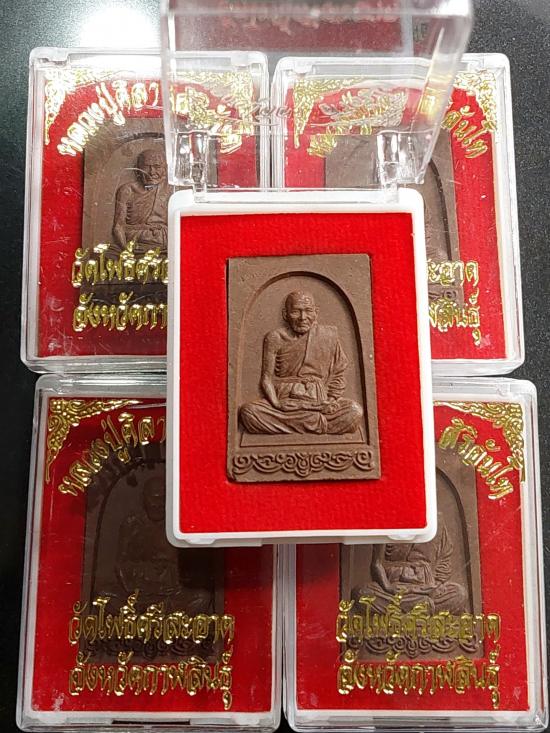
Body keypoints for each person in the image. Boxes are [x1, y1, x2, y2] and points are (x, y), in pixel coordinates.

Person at [239, 291, 363, 435]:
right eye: (296, 312)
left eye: (308, 311)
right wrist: (277, 404)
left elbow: (338, 372)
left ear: (316, 313)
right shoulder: (275, 338)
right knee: (249, 412)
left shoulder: (328, 336)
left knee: (354, 411)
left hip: (319, 398)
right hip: (285, 400)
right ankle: (317, 423)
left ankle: (303, 422)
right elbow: (266, 378)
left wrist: (330, 401)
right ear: (285, 315)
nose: (303, 317)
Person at [116, 475, 211, 614]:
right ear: (144, 498)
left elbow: (194, 567)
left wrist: (173, 574)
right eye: (153, 498)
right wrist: (141, 580)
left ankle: (167, 620)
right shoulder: (132, 524)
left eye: (162, 499)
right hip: (140, 592)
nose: (157, 504)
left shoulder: (181, 524)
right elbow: (121, 563)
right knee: (104, 595)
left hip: (172, 593)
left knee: (202, 597)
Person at [352, 513, 468, 615]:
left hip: (426, 586)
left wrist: (436, 586)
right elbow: (377, 563)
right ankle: (422, 607)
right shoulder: (386, 518)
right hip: (394, 587)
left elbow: (444, 561)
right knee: (361, 593)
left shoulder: (436, 520)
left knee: (459, 594)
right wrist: (387, 586)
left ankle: (408, 607)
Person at [112, 148, 170, 253]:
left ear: (165, 169)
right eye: (146, 167)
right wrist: (126, 252)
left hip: (164, 242)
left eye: (157, 167)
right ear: (137, 169)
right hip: (134, 242)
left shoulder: (170, 191)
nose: (151, 172)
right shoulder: (127, 190)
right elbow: (118, 226)